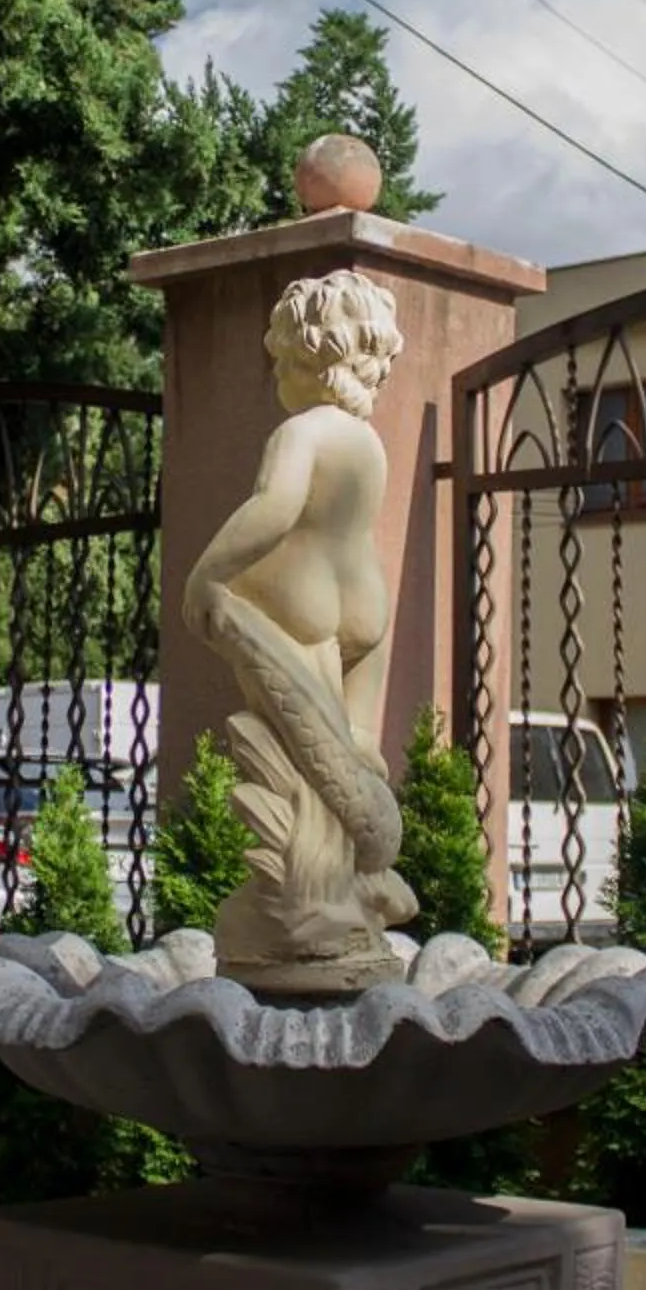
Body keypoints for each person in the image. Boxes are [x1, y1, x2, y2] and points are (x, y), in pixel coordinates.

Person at [184, 271, 417, 992]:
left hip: (300, 610)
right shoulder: (366, 442)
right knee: (355, 758)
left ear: (312, 359)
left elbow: (275, 507)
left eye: (282, 361)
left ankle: (312, 906)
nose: (279, 375)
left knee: (309, 774)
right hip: (363, 606)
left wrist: (208, 575)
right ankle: (363, 883)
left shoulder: (302, 430)